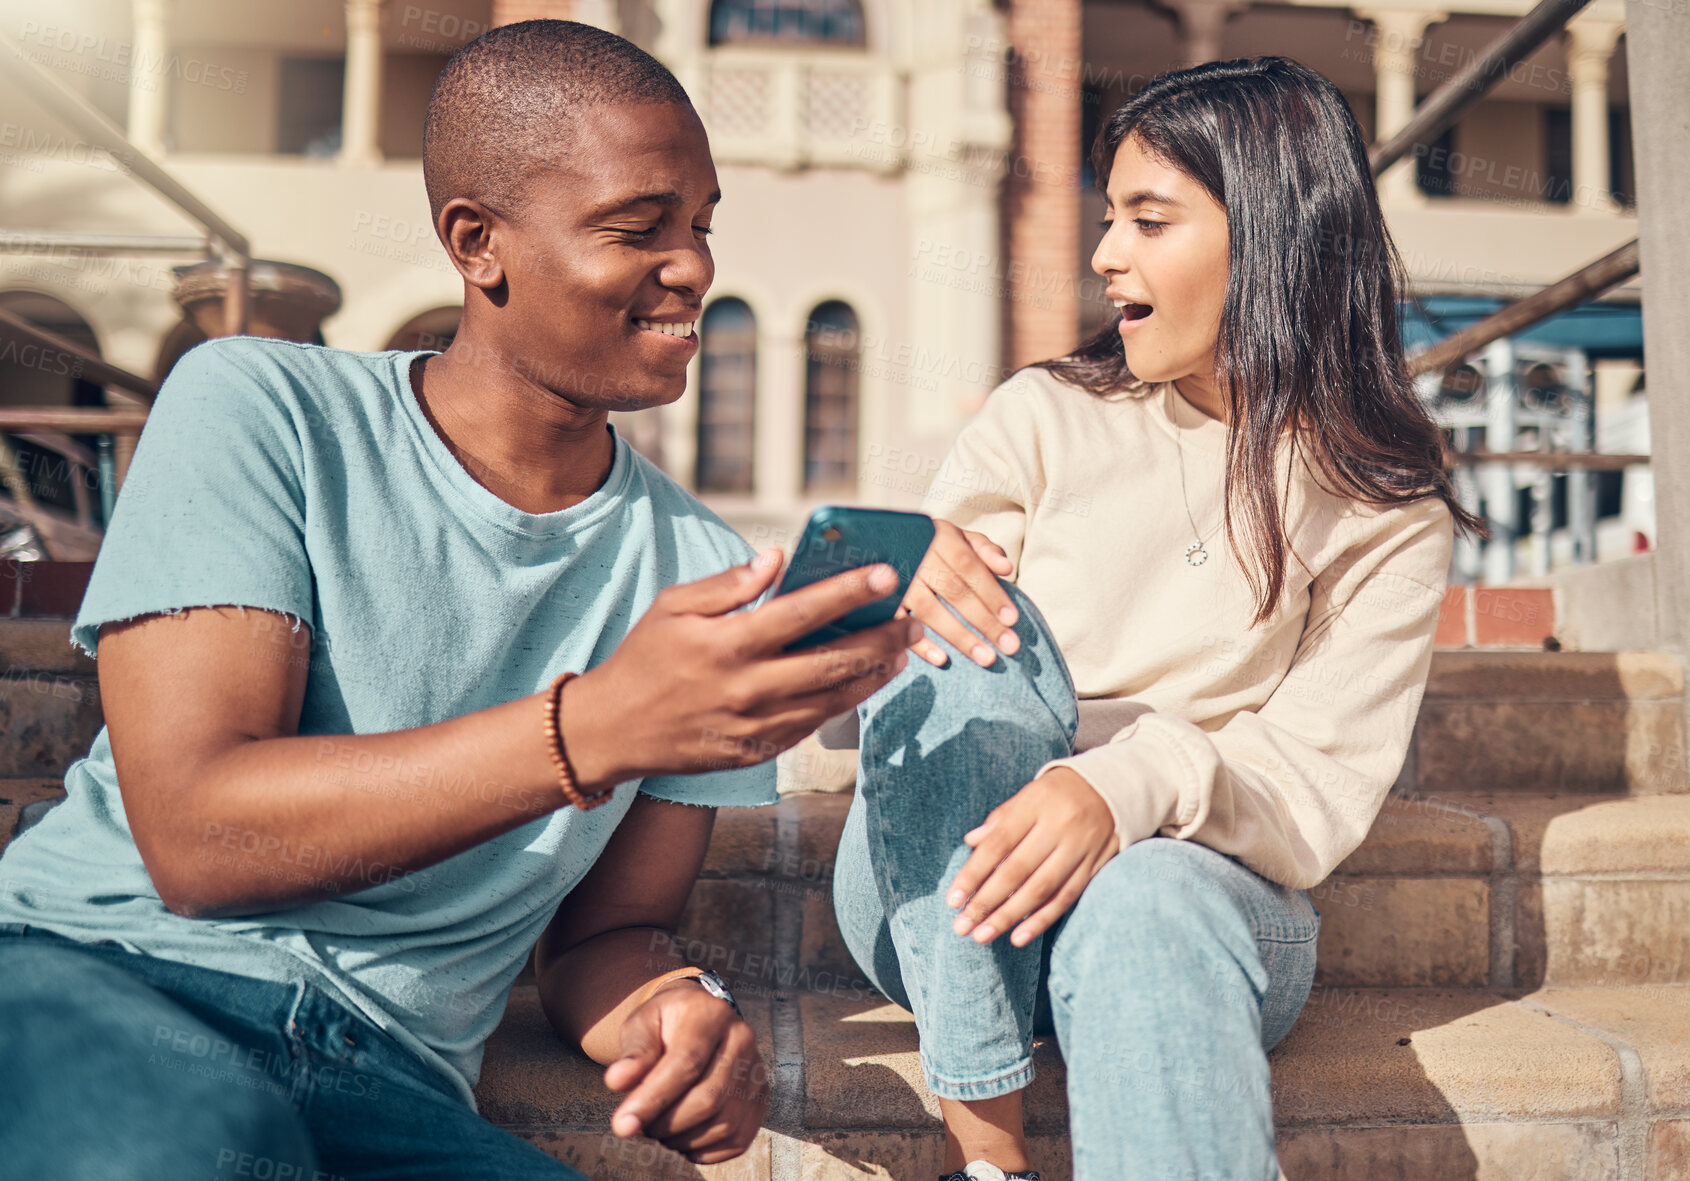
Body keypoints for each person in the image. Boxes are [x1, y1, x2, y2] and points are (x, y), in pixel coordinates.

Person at [0, 21, 918, 1181]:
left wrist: (675, 1010)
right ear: (477, 244)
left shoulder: (698, 562)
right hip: (109, 974)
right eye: (639, 228)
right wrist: (599, 726)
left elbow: (603, 938)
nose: (692, 266)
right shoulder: (263, 407)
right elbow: (197, 834)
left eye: (700, 225)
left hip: (386, 1073)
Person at [828, 57, 1481, 1181]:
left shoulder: (1381, 502)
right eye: (1105, 218)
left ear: (1274, 237)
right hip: (943, 892)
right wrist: (886, 585)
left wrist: (1120, 788)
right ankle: (989, 1154)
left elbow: (1316, 782)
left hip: (1198, 883)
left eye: (1147, 219)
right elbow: (912, 712)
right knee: (960, 652)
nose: (1103, 255)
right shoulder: (1041, 416)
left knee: (1148, 897)